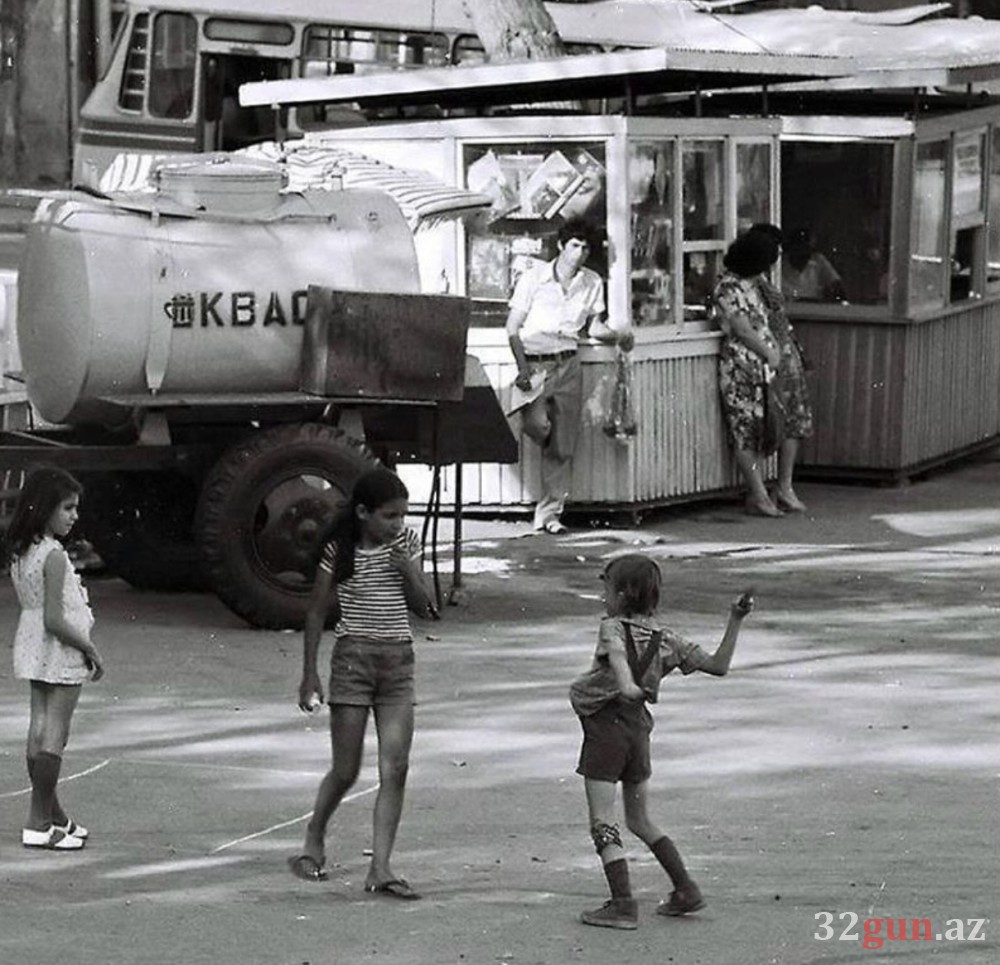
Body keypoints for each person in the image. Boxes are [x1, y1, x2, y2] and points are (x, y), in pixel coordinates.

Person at [570, 554, 754, 929]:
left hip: (606, 730)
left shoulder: (611, 627)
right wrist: (734, 620)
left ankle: (622, 904)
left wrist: (626, 684)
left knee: (603, 821)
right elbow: (719, 665)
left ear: (623, 594)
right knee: (640, 819)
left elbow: (619, 657)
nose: (604, 597)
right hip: (638, 732)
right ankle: (685, 888)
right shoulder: (667, 638)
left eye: (606, 589)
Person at [288, 467, 437, 899]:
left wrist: (408, 570)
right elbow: (316, 611)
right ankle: (314, 836)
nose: (398, 524)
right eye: (390, 516)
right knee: (347, 768)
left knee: (397, 768)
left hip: (398, 663)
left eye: (403, 515)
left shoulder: (406, 545)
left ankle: (382, 866)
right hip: (352, 660)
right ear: (363, 513)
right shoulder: (340, 549)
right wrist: (309, 673)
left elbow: (426, 607)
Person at [507, 218, 633, 534]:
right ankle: (547, 500)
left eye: (586, 247)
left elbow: (593, 327)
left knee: (563, 444)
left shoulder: (592, 282)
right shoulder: (534, 278)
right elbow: (512, 328)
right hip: (535, 364)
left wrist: (618, 336)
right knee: (536, 425)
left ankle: (549, 515)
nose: (580, 252)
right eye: (575, 245)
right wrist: (522, 367)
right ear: (562, 245)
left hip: (568, 363)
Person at [5, 466, 105, 851]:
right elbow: (54, 617)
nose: (74, 515)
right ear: (44, 508)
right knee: (55, 733)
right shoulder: (54, 555)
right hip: (60, 647)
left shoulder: (22, 550)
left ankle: (54, 814)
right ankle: (39, 821)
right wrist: (90, 648)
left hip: (32, 645)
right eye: (67, 508)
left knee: (40, 728)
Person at [713, 231, 785, 517]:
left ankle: (760, 493)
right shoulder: (728, 288)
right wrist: (769, 351)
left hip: (761, 367)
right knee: (744, 430)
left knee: (759, 429)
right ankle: (759, 495)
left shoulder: (753, 285)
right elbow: (742, 328)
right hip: (741, 366)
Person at [749, 223, 814, 513]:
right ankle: (777, 486)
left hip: (785, 350)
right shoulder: (750, 281)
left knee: (792, 420)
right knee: (778, 420)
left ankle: (784, 484)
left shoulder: (762, 279)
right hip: (772, 353)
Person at [781, 227, 846, 303]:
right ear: (791, 248)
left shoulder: (818, 261)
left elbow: (838, 287)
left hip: (814, 311)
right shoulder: (779, 264)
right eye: (800, 248)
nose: (804, 253)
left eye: (808, 249)